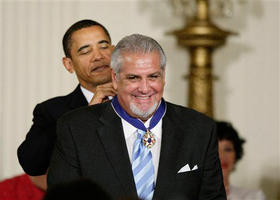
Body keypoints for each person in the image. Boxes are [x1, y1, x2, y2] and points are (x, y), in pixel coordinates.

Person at [47, 34, 226, 200]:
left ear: (163, 76)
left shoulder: (199, 128)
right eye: (133, 78)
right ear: (115, 78)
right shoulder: (75, 129)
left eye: (153, 77)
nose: (145, 88)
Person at [17, 19, 116, 183]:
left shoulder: (140, 99)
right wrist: (84, 117)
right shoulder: (53, 111)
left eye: (104, 46)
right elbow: (32, 164)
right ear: (68, 64)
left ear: (115, 52)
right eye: (85, 51)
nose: (98, 56)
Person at [216, 121, 266, 200]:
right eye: (215, 150)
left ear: (236, 154)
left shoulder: (254, 196)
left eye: (228, 149)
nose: (222, 156)